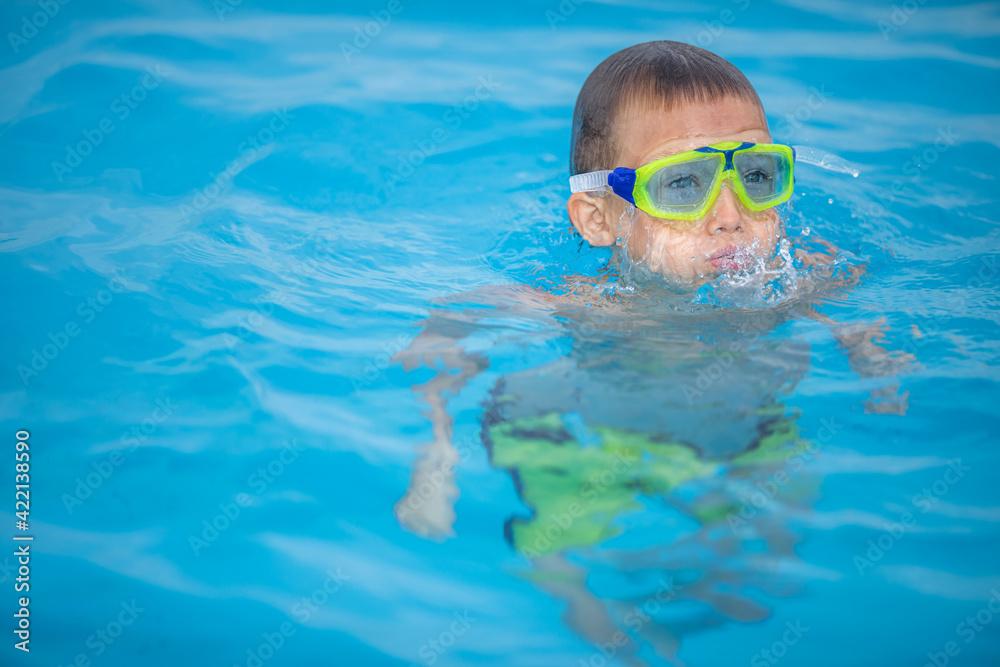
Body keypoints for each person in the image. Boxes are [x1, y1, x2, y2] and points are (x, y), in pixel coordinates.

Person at [390, 41, 911, 665]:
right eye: (683, 184)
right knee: (555, 549)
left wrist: (867, 351)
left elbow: (844, 302)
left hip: (744, 429)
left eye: (756, 176)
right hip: (595, 438)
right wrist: (437, 449)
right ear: (598, 219)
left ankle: (714, 597)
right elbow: (453, 319)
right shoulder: (587, 304)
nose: (731, 216)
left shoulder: (799, 279)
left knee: (780, 539)